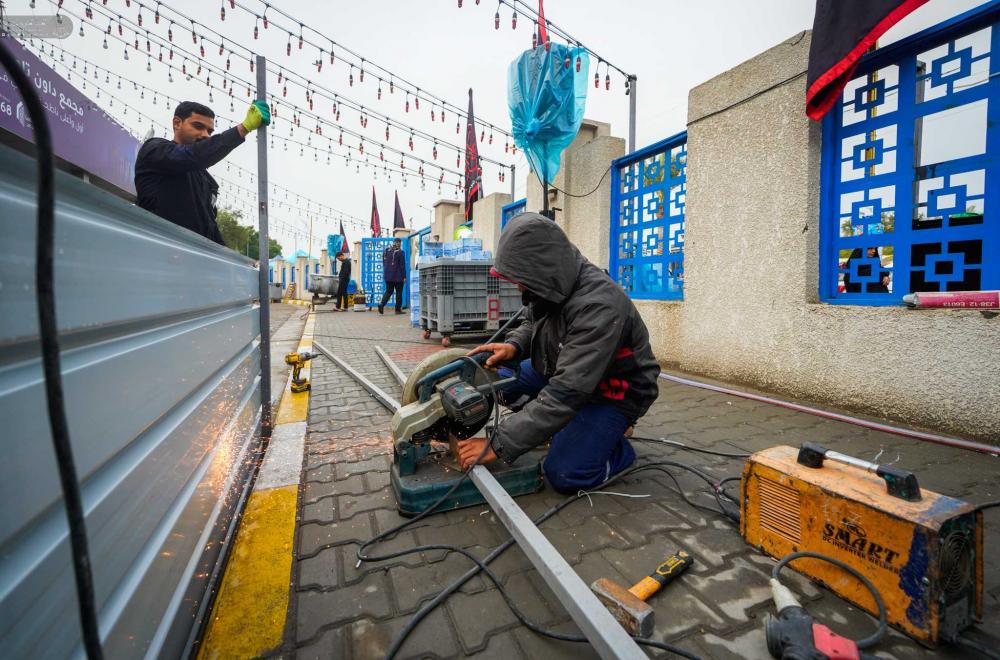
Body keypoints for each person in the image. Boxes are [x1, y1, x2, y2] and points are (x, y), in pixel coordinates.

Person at [458, 214, 661, 493]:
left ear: (539, 267)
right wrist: (514, 345)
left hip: (613, 392)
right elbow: (532, 322)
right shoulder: (554, 282)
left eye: (520, 280)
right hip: (566, 371)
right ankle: (571, 428)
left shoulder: (599, 305)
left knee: (565, 473)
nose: (518, 287)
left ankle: (616, 448)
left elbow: (566, 393)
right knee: (497, 380)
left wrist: (499, 444)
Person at [134, 100, 271, 244]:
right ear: (177, 123)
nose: (205, 135)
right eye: (198, 126)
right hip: (158, 248)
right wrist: (243, 129)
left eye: (210, 131)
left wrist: (225, 255)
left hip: (193, 253)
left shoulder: (205, 179)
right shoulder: (155, 150)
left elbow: (209, 227)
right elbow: (194, 155)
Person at [379, 238, 406, 315]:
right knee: (399, 292)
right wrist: (404, 276)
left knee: (388, 291)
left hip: (388, 276)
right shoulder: (400, 252)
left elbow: (384, 263)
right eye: (399, 243)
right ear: (399, 243)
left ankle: (381, 304)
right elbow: (402, 265)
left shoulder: (386, 251)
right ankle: (397, 310)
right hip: (398, 276)